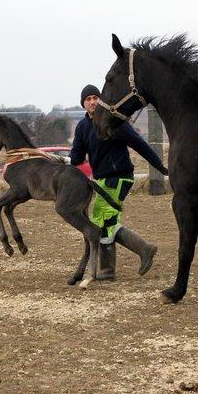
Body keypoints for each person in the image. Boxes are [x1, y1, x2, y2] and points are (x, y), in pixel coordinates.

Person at [69, 84, 166, 280]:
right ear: (83, 104)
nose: (93, 101)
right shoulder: (82, 127)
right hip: (102, 180)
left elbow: (140, 144)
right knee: (106, 221)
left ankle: (119, 263)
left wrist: (160, 166)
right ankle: (122, 261)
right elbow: (76, 159)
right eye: (88, 99)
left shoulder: (113, 121)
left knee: (101, 219)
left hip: (120, 177)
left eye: (96, 97)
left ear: (101, 99)